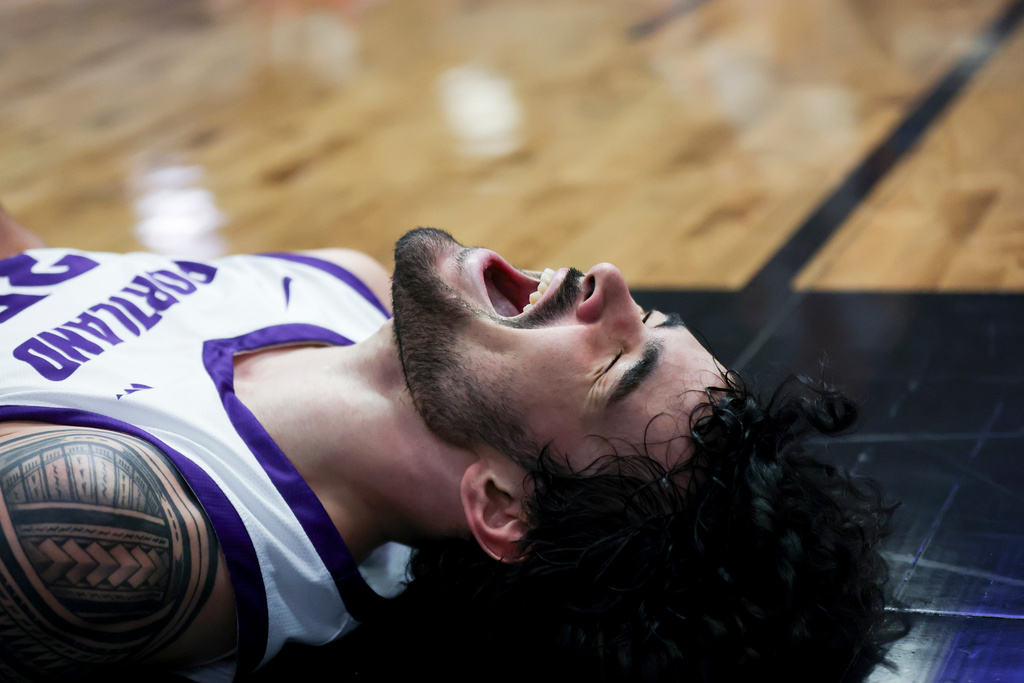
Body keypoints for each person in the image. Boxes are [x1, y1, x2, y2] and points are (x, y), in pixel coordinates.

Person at [0, 203, 900, 682]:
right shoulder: (341, 291)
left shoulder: (132, 527)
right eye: (647, 318)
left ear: (501, 504)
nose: (612, 285)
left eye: (614, 360)